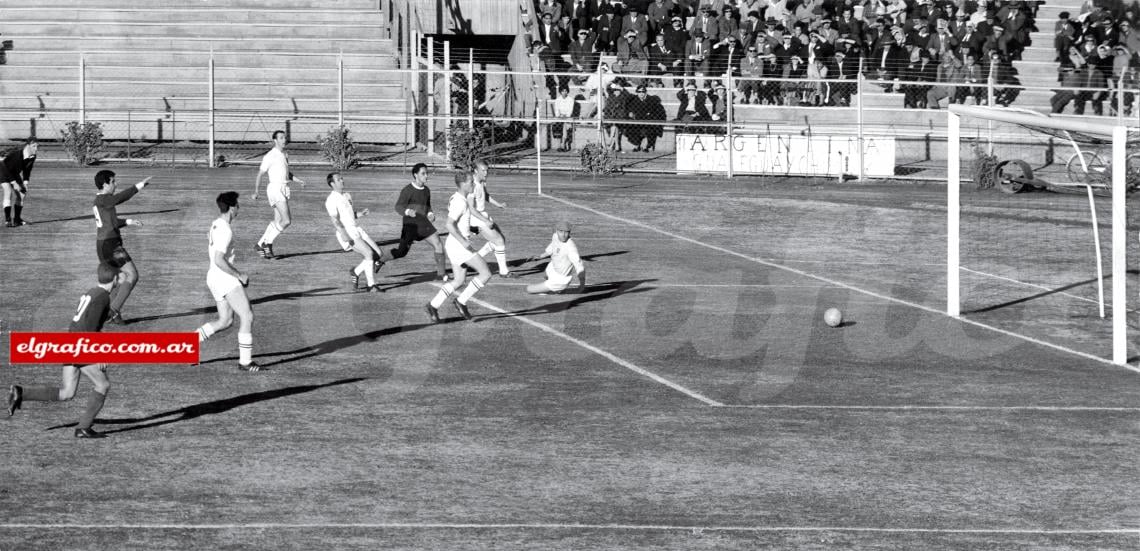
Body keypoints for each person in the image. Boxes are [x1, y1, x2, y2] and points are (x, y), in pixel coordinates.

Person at [6, 262, 125, 438]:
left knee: (67, 393)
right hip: (80, 344)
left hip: (70, 342)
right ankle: (83, 428)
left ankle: (21, 392)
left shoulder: (92, 292)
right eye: (119, 277)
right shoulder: (103, 297)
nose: (120, 280)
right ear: (114, 279)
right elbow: (89, 329)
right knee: (103, 384)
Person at [195, 191, 260, 372]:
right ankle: (245, 362)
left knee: (225, 321)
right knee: (247, 316)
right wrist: (239, 275)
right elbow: (218, 259)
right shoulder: (225, 229)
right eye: (238, 205)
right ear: (232, 208)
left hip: (213, 278)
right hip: (224, 278)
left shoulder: (216, 224)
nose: (239, 208)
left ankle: (188, 345)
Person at [425, 172, 494, 323]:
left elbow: (459, 222)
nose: (473, 184)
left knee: (459, 280)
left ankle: (432, 305)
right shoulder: (460, 202)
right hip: (459, 245)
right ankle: (461, 301)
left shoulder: (458, 198)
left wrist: (471, 230)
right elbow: (449, 224)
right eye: (471, 182)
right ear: (463, 184)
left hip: (454, 244)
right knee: (486, 273)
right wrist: (463, 240)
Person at [92, 170, 152, 325]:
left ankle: (108, 312)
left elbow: (111, 222)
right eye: (113, 181)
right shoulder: (105, 199)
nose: (115, 184)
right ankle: (112, 311)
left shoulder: (101, 201)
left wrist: (129, 221)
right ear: (105, 184)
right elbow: (120, 198)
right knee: (132, 275)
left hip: (103, 244)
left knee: (121, 279)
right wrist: (139, 186)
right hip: (111, 245)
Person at [325, 172, 386, 292]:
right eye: (338, 179)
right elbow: (335, 220)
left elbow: (350, 215)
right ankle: (371, 285)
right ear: (332, 184)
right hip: (347, 231)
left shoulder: (347, 195)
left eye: (341, 178)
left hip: (356, 228)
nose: (342, 180)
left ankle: (355, 272)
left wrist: (360, 214)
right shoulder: (331, 200)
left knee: (378, 254)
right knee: (368, 253)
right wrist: (343, 234)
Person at [389, 163, 449, 281]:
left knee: (438, 243)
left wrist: (430, 213)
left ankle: (441, 274)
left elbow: (427, 206)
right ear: (415, 175)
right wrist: (407, 212)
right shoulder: (407, 190)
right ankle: (380, 259)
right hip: (410, 224)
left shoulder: (426, 190)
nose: (426, 176)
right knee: (401, 252)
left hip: (423, 223)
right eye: (423, 173)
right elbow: (398, 206)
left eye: (426, 173)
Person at [252, 130, 305, 260]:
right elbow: (260, 174)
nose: (284, 140)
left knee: (277, 221)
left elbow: (286, 173)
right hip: (275, 188)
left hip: (284, 188)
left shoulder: (285, 154)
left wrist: (298, 181)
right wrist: (256, 191)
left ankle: (259, 244)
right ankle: (267, 243)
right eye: (281, 138)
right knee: (286, 221)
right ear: (275, 140)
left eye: (284, 137)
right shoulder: (270, 155)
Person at [469, 160, 517, 279]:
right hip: (475, 218)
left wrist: (498, 204)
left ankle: (474, 260)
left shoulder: (482, 182)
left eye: (487, 170)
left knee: (500, 239)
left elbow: (485, 195)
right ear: (476, 170)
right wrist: (485, 221)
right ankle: (504, 272)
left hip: (482, 215)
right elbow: (471, 209)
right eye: (483, 170)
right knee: (499, 241)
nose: (486, 173)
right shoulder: (472, 185)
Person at [525, 220, 586, 295]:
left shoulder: (570, 248)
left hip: (561, 280)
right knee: (548, 270)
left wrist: (582, 286)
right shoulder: (555, 236)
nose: (563, 235)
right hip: (553, 268)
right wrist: (539, 256)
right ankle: (553, 289)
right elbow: (552, 247)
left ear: (569, 233)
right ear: (556, 231)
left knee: (529, 289)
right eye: (561, 231)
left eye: (566, 232)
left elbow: (579, 265)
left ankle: (556, 290)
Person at [1, 138, 37, 228]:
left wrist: (25, 183)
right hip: (3, 170)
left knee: (22, 194)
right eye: (34, 146)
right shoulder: (17, 155)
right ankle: (8, 220)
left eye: (37, 146)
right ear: (28, 146)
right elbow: (5, 167)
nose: (36, 148)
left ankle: (17, 220)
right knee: (8, 191)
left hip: (13, 172)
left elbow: (27, 170)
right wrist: (14, 183)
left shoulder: (32, 156)